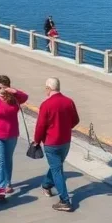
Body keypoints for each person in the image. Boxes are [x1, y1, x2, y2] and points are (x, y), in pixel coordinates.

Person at [33, 77, 79, 212]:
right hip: (65, 142)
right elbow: (75, 120)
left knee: (57, 170)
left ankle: (65, 200)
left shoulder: (46, 105)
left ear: (48, 88)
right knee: (56, 167)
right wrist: (64, 128)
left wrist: (36, 140)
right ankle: (46, 184)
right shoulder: (69, 101)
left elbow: (40, 126)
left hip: (51, 142)